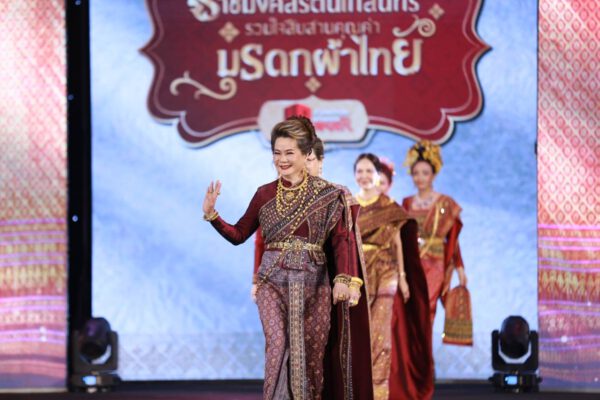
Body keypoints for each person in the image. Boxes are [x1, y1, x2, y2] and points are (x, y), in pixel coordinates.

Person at [203, 117, 373, 400]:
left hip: (315, 283)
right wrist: (213, 215)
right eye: (277, 153)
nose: (281, 160)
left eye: (289, 153)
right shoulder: (264, 194)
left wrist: (343, 279)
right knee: (278, 344)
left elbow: (341, 240)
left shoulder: (329, 195)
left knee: (311, 354)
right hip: (272, 281)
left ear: (306, 154)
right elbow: (239, 234)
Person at [354, 153, 433, 400]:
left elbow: (398, 243)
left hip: (386, 271)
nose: (364, 176)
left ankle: (379, 393)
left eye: (369, 171)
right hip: (357, 274)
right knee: (359, 334)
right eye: (360, 171)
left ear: (378, 175)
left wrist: (403, 277)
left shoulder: (389, 207)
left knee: (381, 335)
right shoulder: (348, 205)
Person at [402, 141, 468, 326]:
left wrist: (460, 268)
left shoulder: (445, 203)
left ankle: (425, 345)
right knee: (411, 313)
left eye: (425, 173)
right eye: (416, 173)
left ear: (433, 174)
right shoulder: (407, 203)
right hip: (412, 263)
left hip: (434, 263)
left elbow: (453, 240)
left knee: (427, 308)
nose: (420, 178)